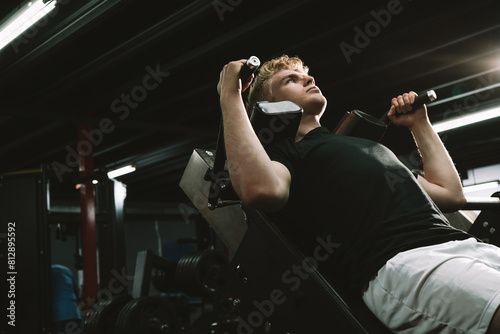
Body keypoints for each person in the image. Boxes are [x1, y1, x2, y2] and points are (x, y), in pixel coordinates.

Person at [217, 55, 500, 333]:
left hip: (465, 246)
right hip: (405, 264)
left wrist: (419, 124)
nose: (308, 78)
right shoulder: (287, 153)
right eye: (291, 79)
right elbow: (260, 191)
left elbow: (451, 195)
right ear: (269, 105)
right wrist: (230, 96)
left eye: (305, 74)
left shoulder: (360, 147)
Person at [51, 264, 82, 334]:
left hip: (57, 315)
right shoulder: (66, 270)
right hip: (73, 313)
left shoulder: (47, 272)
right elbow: (76, 291)